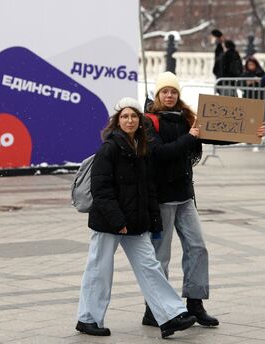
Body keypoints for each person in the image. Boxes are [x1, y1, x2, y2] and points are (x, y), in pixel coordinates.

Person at [142, 72, 265, 328]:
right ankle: (154, 308)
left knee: (197, 248)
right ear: (157, 95)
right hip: (162, 198)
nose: (169, 95)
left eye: (173, 92)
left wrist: (250, 132)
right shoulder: (149, 121)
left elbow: (216, 133)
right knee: (160, 257)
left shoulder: (187, 118)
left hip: (184, 196)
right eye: (165, 91)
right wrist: (190, 136)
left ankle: (195, 303)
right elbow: (159, 153)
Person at [76, 97, 197, 339]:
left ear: (140, 122)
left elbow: (148, 188)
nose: (129, 120)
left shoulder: (141, 148)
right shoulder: (109, 149)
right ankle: (88, 319)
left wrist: (154, 220)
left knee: (150, 267)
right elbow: (102, 190)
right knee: (100, 269)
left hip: (136, 222)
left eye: (133, 117)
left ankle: (170, 315)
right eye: (124, 116)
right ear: (117, 121)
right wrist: (117, 221)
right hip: (110, 223)